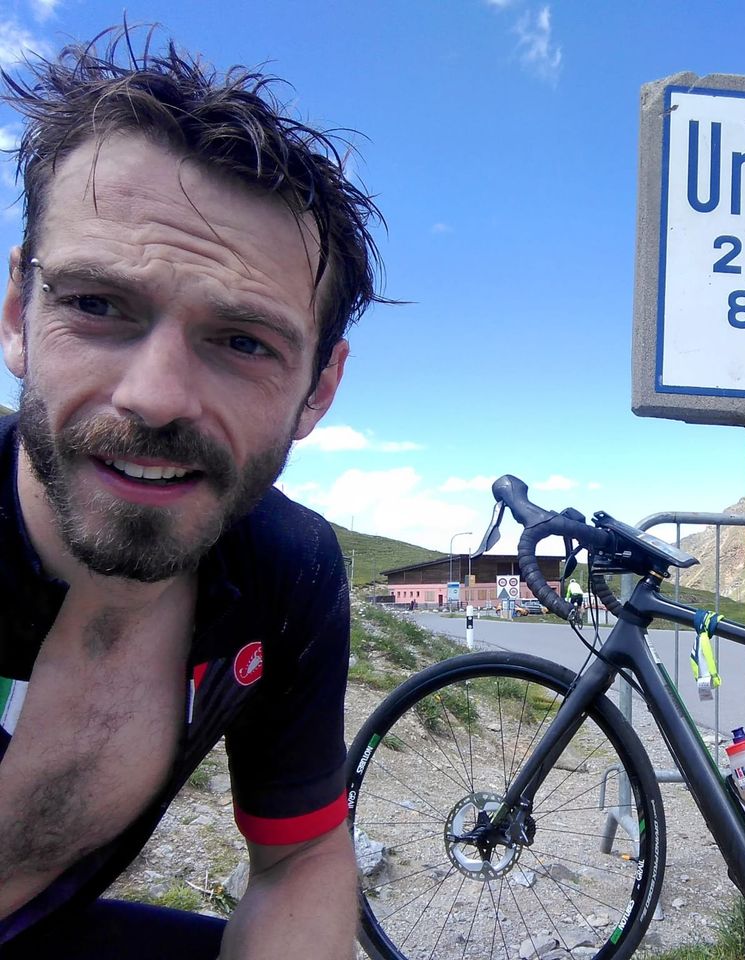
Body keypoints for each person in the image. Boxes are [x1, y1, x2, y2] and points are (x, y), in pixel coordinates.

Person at [0, 25, 385, 959]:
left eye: (244, 342)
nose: (157, 396)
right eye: (98, 304)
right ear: (19, 314)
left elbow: (301, 861)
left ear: (318, 391)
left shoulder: (287, 572)